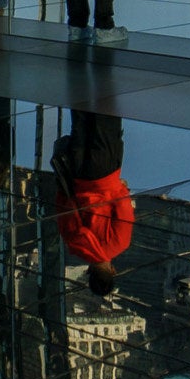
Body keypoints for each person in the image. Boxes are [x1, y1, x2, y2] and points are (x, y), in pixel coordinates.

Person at [52, 108, 133, 297]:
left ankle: (102, 79)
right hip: (78, 172)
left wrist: (121, 187)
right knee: (80, 119)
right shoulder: (73, 243)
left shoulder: (119, 243)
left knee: (106, 118)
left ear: (113, 271)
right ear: (89, 271)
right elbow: (61, 202)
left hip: (104, 174)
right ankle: (78, 80)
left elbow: (123, 206)